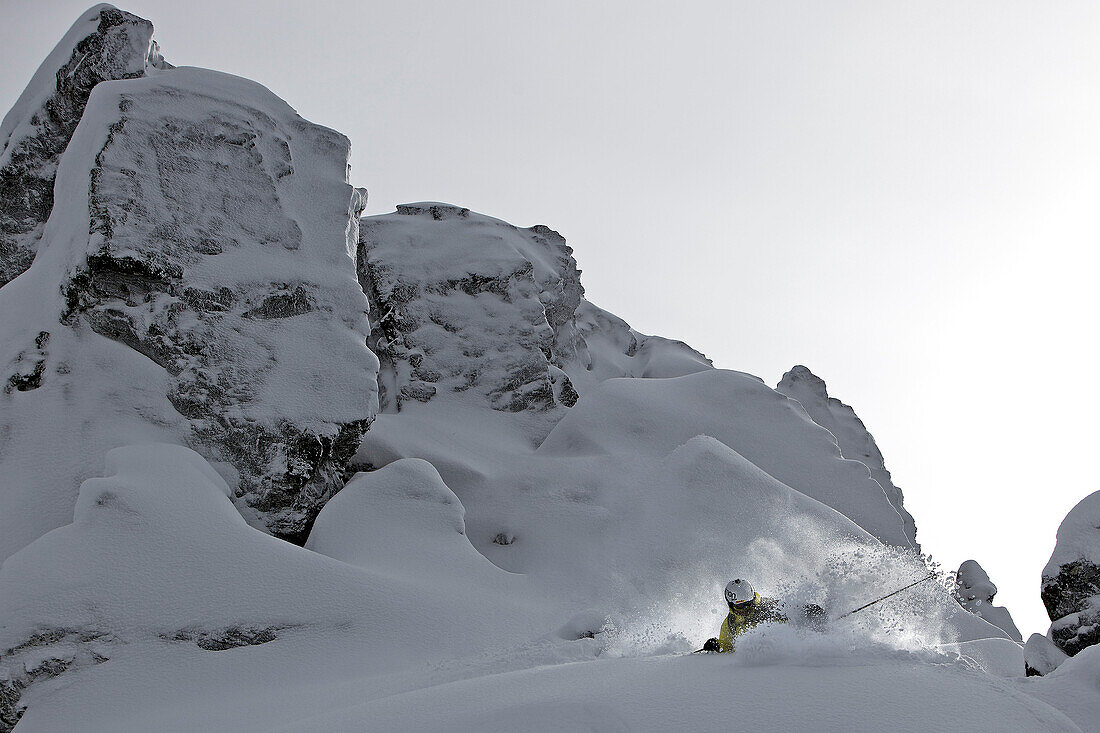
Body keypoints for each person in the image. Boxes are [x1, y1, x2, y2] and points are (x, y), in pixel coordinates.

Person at [701, 579, 825, 653]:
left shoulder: (770, 607)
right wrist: (717, 645)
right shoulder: (730, 623)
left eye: (748, 605)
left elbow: (796, 613)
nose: (745, 609)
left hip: (790, 654)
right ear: (731, 605)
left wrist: (810, 610)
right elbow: (728, 646)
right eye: (740, 606)